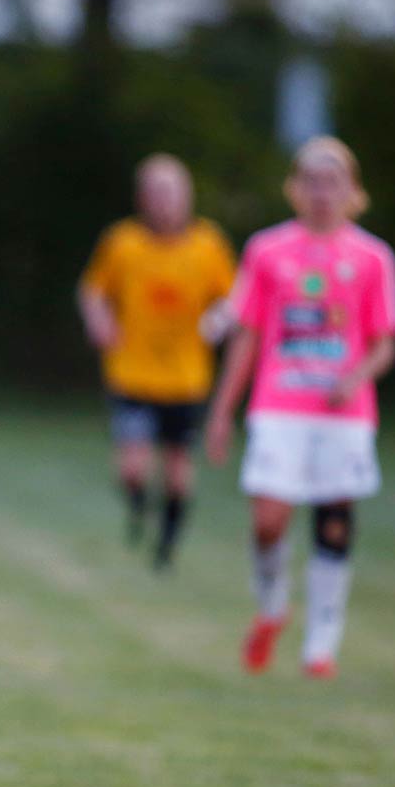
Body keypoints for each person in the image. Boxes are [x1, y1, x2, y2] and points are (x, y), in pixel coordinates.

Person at [205, 137, 395, 678]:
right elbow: (246, 335)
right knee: (269, 520)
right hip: (279, 405)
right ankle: (271, 606)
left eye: (332, 182)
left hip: (344, 412)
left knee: (333, 521)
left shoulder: (372, 257)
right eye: (311, 181)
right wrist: (223, 411)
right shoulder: (267, 251)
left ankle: (321, 644)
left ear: (352, 191)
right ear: (296, 188)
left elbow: (385, 341)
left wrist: (355, 375)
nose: (321, 192)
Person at [77, 154, 238, 570]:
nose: (164, 202)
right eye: (155, 193)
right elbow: (92, 290)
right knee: (132, 467)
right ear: (141, 199)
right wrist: (100, 321)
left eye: (172, 192)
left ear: (187, 197)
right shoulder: (123, 242)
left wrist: (218, 321)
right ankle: (138, 504)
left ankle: (168, 540)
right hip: (132, 372)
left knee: (178, 466)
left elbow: (235, 299)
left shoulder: (208, 244)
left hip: (186, 378)